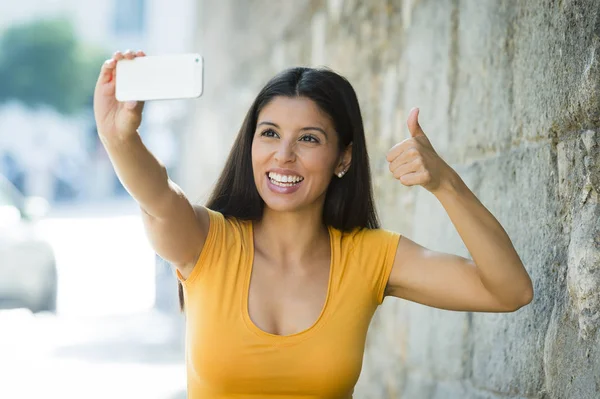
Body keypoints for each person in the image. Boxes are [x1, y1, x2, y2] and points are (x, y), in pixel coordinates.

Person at [94, 50, 534, 398]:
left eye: (308, 138)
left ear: (343, 157)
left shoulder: (370, 256)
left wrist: (446, 183)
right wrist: (119, 137)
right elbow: (156, 197)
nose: (283, 155)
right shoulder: (207, 242)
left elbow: (509, 290)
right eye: (269, 134)